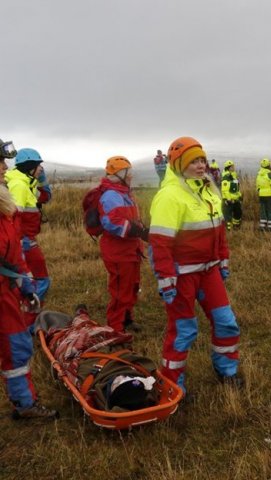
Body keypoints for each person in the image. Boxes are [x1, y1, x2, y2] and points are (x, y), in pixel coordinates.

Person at [149, 136, 241, 394]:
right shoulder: (169, 196)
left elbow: (219, 232)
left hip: (209, 271)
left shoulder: (208, 190)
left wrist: (223, 261)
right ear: (178, 165)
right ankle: (172, 385)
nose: (201, 166)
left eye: (202, 160)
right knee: (183, 330)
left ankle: (227, 372)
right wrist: (165, 278)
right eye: (193, 161)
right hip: (182, 276)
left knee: (226, 322)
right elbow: (160, 243)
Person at [0, 139, 58, 419]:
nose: (3, 168)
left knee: (17, 346)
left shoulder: (5, 201)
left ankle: (24, 405)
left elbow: (12, 246)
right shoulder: (15, 192)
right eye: (0, 162)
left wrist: (22, 281)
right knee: (15, 344)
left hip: (8, 286)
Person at [35, 306, 159, 412]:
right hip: (102, 344)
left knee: (67, 333)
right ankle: (81, 316)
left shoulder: (87, 378)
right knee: (88, 327)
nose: (126, 376)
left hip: (80, 347)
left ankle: (80, 317)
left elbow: (68, 362)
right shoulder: (137, 368)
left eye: (124, 378)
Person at [98, 156, 148, 333]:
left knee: (132, 286)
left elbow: (131, 220)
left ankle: (126, 319)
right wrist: (140, 232)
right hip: (118, 253)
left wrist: (142, 229)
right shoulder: (111, 196)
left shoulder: (123, 194)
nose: (131, 176)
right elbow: (112, 223)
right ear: (119, 175)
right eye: (128, 173)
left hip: (130, 250)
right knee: (120, 291)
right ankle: (115, 330)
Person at [5, 148, 52, 325]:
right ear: (29, 166)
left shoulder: (26, 183)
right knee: (40, 281)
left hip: (25, 240)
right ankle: (27, 321)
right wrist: (19, 246)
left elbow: (46, 196)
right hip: (23, 242)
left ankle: (27, 320)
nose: (41, 169)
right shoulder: (19, 185)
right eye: (38, 165)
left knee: (33, 281)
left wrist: (41, 180)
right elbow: (12, 219)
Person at [256, 158, 271, 231]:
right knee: (270, 211)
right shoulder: (270, 175)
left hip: (261, 196)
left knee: (263, 211)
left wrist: (260, 192)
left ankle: (262, 227)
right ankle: (270, 228)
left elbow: (257, 186)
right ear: (269, 165)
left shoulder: (259, 175)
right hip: (270, 196)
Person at [221, 160, 243, 230]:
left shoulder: (233, 176)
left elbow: (236, 188)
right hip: (229, 200)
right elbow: (225, 190)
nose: (234, 167)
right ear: (229, 167)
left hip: (236, 199)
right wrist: (229, 199)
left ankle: (236, 227)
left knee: (238, 213)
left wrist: (239, 195)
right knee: (228, 216)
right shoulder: (226, 177)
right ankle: (228, 231)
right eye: (232, 166)